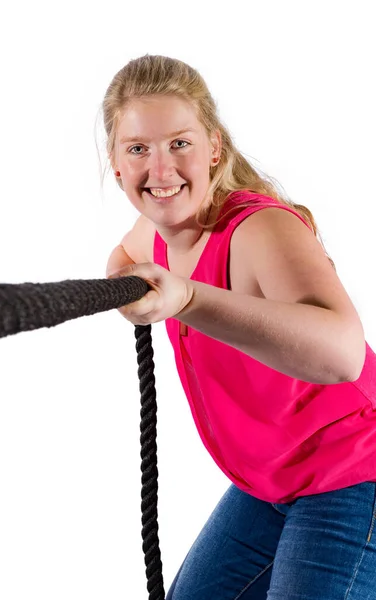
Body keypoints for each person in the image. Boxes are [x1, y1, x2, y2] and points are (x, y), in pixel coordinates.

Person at [101, 54, 376, 599]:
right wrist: (123, 284)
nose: (161, 171)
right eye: (139, 149)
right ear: (116, 166)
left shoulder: (258, 229)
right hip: (267, 482)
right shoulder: (155, 229)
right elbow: (124, 254)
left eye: (180, 143)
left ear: (214, 148)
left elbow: (344, 353)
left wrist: (187, 298)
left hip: (354, 473)